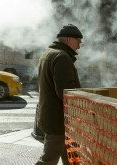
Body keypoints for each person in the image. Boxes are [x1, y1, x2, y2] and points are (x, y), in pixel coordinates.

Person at [35, 24, 82, 165]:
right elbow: (66, 93)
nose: (79, 46)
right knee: (48, 160)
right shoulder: (62, 57)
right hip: (60, 121)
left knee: (73, 159)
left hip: (53, 118)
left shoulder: (47, 54)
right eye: (78, 41)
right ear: (68, 39)